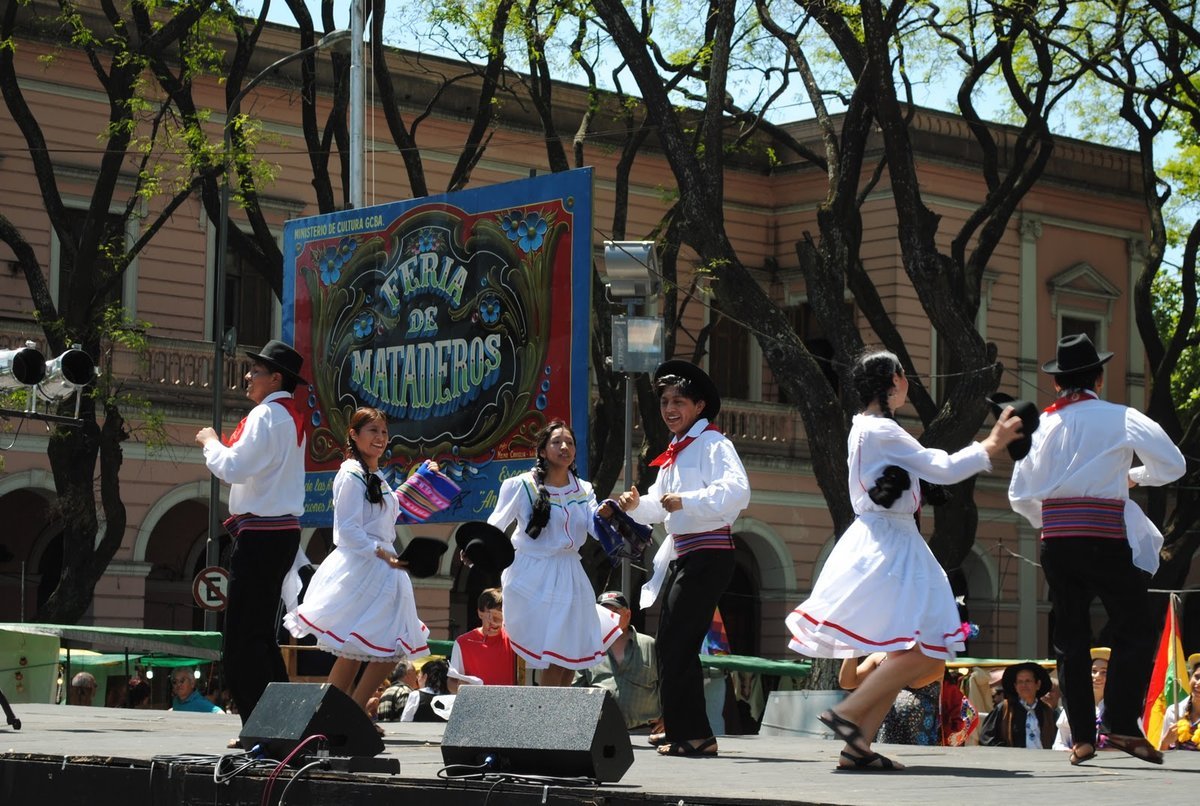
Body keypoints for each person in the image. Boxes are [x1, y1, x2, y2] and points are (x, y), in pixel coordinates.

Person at [785, 349, 1022, 771]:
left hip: (882, 538)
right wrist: (991, 444)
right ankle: (850, 711)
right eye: (903, 375)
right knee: (930, 645)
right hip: (892, 543)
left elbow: (905, 476)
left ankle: (857, 745)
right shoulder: (881, 430)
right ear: (894, 380)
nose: (906, 382)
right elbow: (941, 466)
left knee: (907, 651)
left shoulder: (866, 428)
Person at [1009, 333, 1185, 766]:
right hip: (1104, 538)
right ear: (1100, 379)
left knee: (1070, 638)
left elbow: (1019, 493)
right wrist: (1134, 478)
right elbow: (1174, 464)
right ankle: (1122, 724)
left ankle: (1083, 738)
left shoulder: (1042, 425)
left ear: (1056, 384)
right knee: (1136, 628)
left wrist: (1051, 520)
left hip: (1058, 543)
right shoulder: (1120, 416)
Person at [284, 407, 455, 717]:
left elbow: (386, 512)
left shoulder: (374, 475)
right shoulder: (350, 474)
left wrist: (421, 479)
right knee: (364, 650)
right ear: (354, 434)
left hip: (383, 571)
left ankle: (347, 715)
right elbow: (346, 530)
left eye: (384, 432)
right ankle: (341, 716)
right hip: (364, 569)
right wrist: (383, 554)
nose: (380, 438)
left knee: (378, 648)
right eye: (372, 431)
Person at [618, 360, 751, 758]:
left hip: (709, 552)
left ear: (698, 406)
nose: (670, 408)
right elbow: (659, 509)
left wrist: (686, 500)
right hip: (687, 554)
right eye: (664, 401)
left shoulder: (713, 443)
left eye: (679, 401)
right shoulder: (676, 453)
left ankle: (697, 735)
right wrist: (634, 505)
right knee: (669, 644)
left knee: (677, 642)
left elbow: (737, 493)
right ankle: (679, 727)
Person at [196, 339, 307, 728]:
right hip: (277, 532)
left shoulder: (266, 416)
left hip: (261, 533)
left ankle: (262, 723)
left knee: (242, 639)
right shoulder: (288, 416)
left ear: (275, 378)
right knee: (258, 634)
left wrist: (210, 441)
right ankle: (280, 722)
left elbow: (234, 468)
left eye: (255, 371)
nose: (248, 376)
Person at [488, 419, 623, 688]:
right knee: (554, 653)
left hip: (570, 573)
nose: (564, 447)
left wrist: (611, 514)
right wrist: (475, 547)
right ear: (542, 450)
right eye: (557, 442)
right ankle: (545, 719)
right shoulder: (520, 485)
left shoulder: (584, 489)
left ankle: (553, 719)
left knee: (568, 655)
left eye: (570, 442)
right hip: (532, 573)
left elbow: (596, 528)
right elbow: (495, 525)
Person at [574, 591, 661, 731]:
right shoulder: (589, 648)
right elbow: (575, 692)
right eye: (605, 613)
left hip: (646, 734)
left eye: (615, 612)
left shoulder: (649, 645)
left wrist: (668, 719)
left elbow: (667, 685)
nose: (610, 618)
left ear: (628, 615)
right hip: (600, 733)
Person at [838, 653, 942, 745]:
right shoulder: (879, 657)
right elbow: (847, 682)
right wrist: (852, 650)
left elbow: (914, 682)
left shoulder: (935, 659)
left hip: (918, 730)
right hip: (881, 727)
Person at [979, 662, 1057, 748]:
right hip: (1014, 760)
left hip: (1045, 760)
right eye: (1020, 682)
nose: (1024, 685)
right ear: (1015, 686)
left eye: (1028, 681)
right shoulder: (1004, 709)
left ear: (1037, 684)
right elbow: (986, 738)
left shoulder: (1047, 711)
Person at [449, 587, 516, 686]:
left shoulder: (514, 640)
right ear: (480, 613)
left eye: (499, 615)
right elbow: (452, 682)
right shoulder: (462, 643)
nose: (494, 622)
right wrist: (464, 687)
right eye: (490, 614)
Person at [1054, 647, 1108, 751]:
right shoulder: (1074, 706)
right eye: (1093, 671)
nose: (1097, 676)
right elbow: (1059, 744)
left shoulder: (1120, 709)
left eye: (1104, 672)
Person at [1159, 653, 1200, 750]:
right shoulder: (1174, 711)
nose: (1198, 683)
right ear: (1190, 678)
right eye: (1197, 677)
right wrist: (1165, 742)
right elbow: (1162, 755)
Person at [399, 657, 452, 722]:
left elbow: (405, 720)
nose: (417, 679)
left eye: (419, 676)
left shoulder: (416, 695)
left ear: (425, 676)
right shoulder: (450, 696)